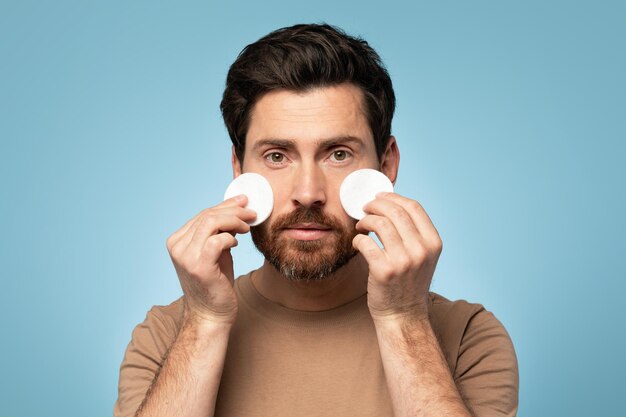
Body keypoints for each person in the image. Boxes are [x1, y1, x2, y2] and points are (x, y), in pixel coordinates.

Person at [114, 23, 519, 417]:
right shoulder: (167, 336)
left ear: (386, 163)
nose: (308, 192)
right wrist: (204, 323)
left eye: (338, 154)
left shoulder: (467, 336)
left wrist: (403, 319)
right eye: (277, 156)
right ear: (239, 169)